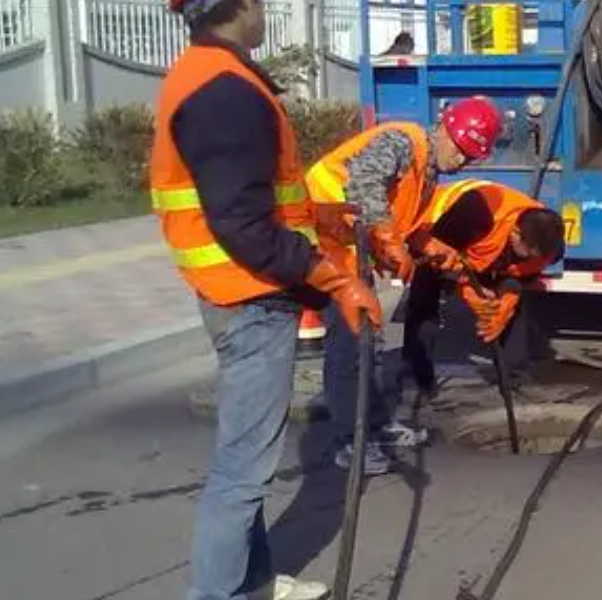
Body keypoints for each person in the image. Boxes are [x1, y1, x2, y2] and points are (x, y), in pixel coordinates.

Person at [151, 1, 381, 599]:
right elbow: (243, 224)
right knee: (241, 473)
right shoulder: (223, 91)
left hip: (237, 292)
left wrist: (321, 217)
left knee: (244, 462)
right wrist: (336, 280)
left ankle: (252, 582)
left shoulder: (209, 74)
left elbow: (250, 197)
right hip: (250, 300)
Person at [305, 97, 503, 475]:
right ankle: (351, 441)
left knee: (370, 340)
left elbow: (405, 224)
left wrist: (433, 250)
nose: (461, 161)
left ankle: (375, 425)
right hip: (328, 240)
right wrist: (385, 237)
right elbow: (364, 180)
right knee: (351, 342)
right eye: (460, 149)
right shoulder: (403, 141)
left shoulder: (426, 175)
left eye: (470, 157)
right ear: (444, 129)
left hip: (350, 246)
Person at [401, 179, 565, 393]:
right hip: (438, 240)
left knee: (510, 310)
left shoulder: (549, 243)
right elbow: (437, 258)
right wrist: (469, 291)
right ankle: (418, 377)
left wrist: (508, 297)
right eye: (527, 253)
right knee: (424, 302)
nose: (531, 258)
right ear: (515, 233)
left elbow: (522, 276)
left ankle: (511, 377)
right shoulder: (475, 211)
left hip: (486, 255)